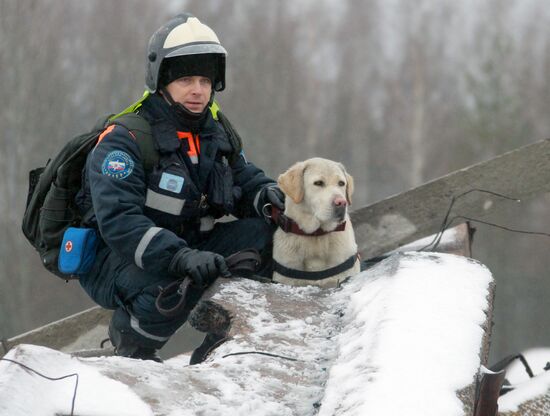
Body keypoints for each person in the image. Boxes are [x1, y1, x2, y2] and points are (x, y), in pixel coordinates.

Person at [75, 13, 285, 362]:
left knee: (270, 238)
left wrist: (269, 197)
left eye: (205, 80)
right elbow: (120, 222)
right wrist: (180, 257)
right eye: (187, 79)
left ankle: (225, 343)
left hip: (191, 245)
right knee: (176, 279)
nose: (198, 90)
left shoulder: (216, 131)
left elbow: (244, 178)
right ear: (161, 80)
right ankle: (134, 347)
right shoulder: (125, 140)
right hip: (116, 258)